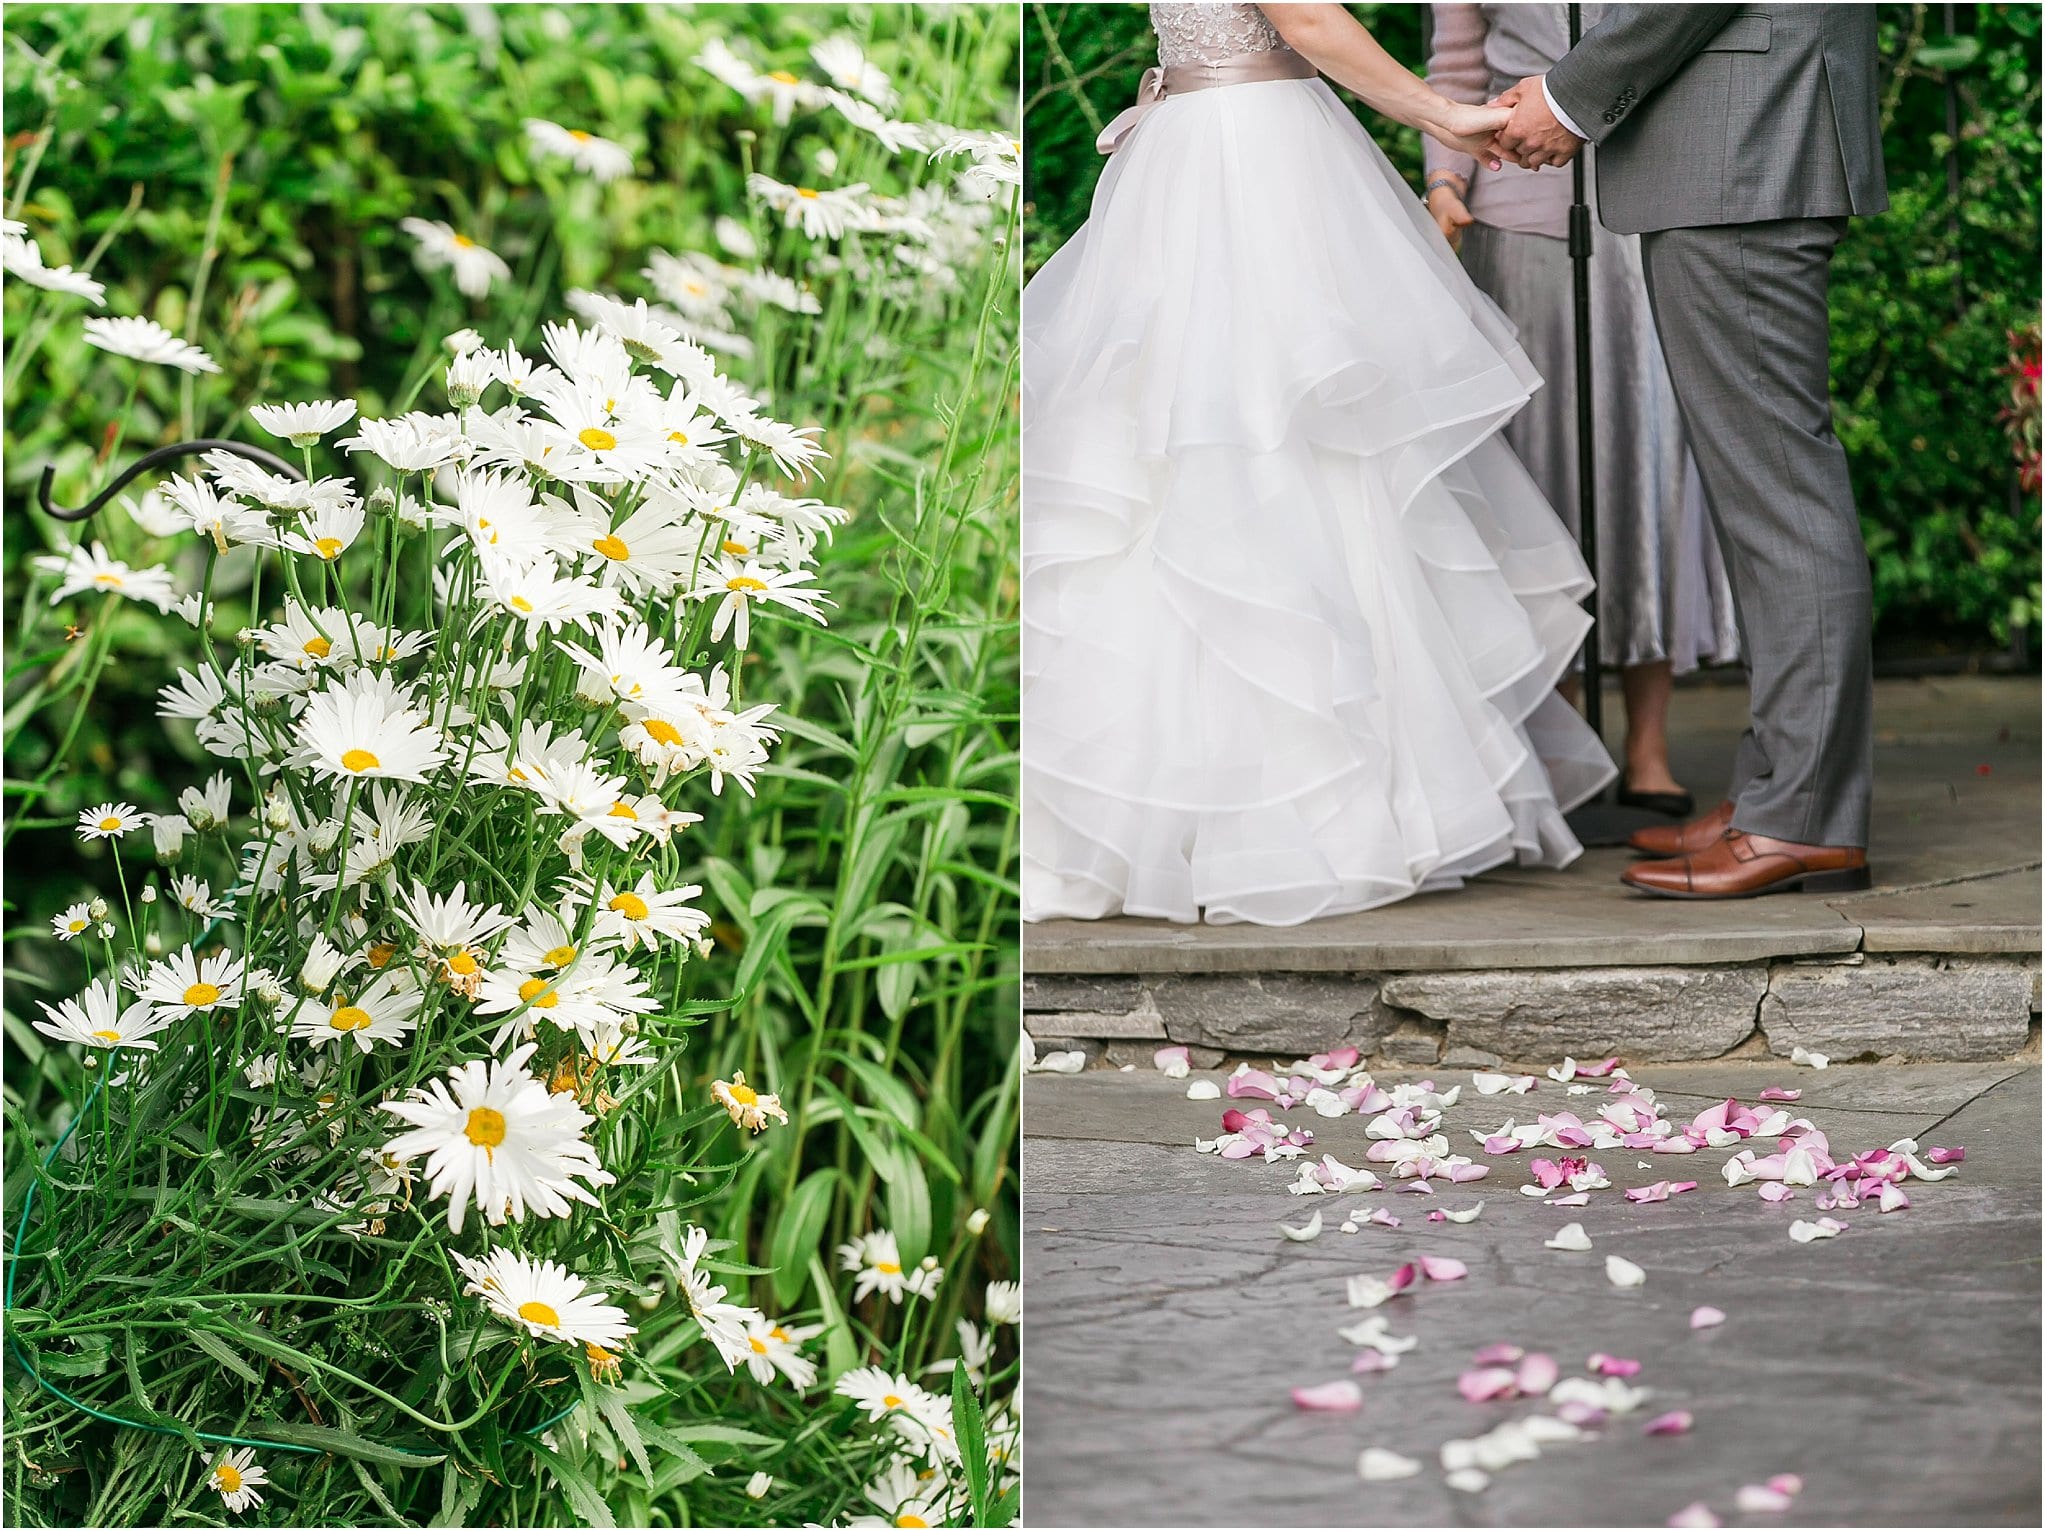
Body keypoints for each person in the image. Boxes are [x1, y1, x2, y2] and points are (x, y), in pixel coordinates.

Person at [1021, 3, 1614, 927]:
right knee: (1286, 446)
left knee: (1212, 447)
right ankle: (1312, 819)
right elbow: (1308, 18)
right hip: (1248, 163)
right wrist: (1442, 115)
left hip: (1197, 144)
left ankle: (1154, 817)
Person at [1488, 3, 1887, 898]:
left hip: (1746, 147)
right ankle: (1778, 792)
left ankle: (1804, 817)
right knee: (1764, 494)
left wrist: (1566, 96)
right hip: (1741, 145)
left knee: (1779, 489)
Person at [1423, 2, 1742, 821]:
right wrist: (1443, 180)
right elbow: (1456, 64)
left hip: (1650, 205)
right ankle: (1561, 739)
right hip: (1517, 222)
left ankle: (1647, 746)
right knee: (1539, 473)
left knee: (1648, 459)